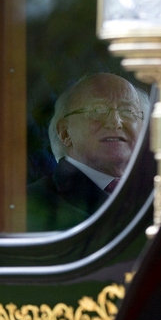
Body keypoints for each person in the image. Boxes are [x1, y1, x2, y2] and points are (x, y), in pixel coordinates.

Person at [27, 73, 149, 231]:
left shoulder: (157, 194)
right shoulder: (30, 203)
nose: (115, 122)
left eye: (127, 111)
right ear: (65, 132)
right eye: (97, 110)